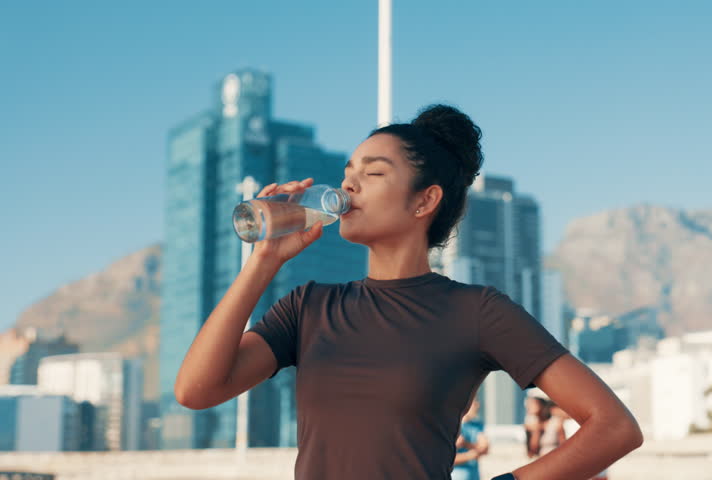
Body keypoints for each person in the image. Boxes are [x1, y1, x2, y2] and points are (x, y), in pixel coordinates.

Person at [174, 104, 643, 479]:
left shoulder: (477, 311)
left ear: (425, 200)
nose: (348, 184)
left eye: (373, 173)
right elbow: (197, 390)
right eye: (348, 171)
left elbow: (614, 427)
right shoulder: (308, 306)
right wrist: (263, 262)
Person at [452, 397, 488, 480]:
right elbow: (447, 460)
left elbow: (485, 448)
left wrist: (465, 444)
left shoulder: (477, 425)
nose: (478, 406)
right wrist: (470, 455)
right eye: (474, 403)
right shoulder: (452, 426)